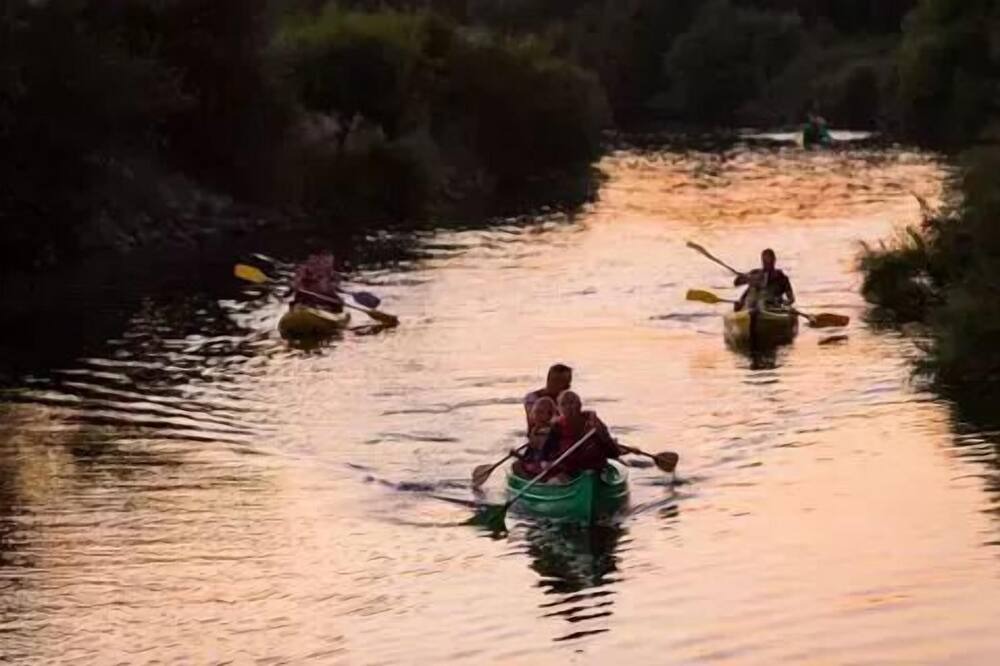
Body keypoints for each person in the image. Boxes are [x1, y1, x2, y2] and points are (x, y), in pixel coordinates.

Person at [539, 390, 620, 481]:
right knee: (554, 481)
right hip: (569, 472)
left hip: (596, 471)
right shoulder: (557, 428)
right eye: (563, 404)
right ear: (559, 409)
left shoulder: (594, 423)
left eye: (572, 402)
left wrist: (602, 434)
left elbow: (614, 452)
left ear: (580, 405)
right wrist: (545, 463)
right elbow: (545, 453)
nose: (568, 407)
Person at [518, 396, 558, 476]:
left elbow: (540, 452)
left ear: (550, 415)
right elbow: (529, 454)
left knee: (516, 465)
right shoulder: (535, 430)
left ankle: (530, 478)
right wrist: (517, 455)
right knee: (518, 464)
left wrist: (518, 456)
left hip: (544, 464)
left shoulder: (550, 431)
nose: (537, 415)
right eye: (535, 412)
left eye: (541, 412)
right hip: (538, 462)